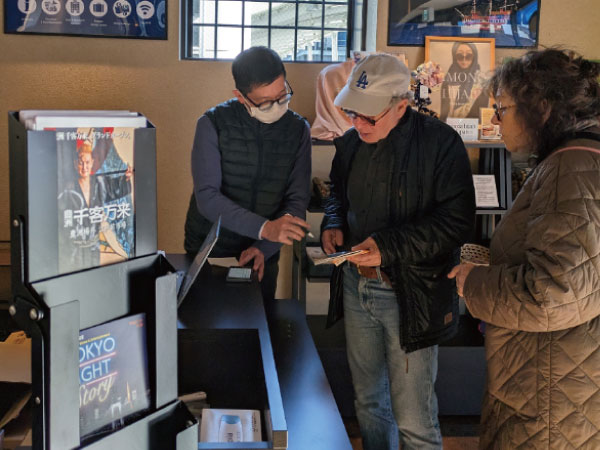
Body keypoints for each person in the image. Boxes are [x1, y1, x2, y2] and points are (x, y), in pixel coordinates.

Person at [321, 53, 476, 450]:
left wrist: (388, 246)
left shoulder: (440, 144)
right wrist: (333, 222)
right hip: (359, 286)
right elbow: (337, 191)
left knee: (414, 419)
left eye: (369, 116)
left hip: (412, 292)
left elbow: (456, 223)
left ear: (401, 105)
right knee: (369, 403)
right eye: (353, 112)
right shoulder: (352, 142)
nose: (358, 124)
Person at [448, 49, 600, 449]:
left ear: (542, 109)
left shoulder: (568, 168)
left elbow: (553, 294)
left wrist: (474, 281)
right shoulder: (578, 162)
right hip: (562, 380)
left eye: (501, 109)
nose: (495, 121)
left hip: (548, 392)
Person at [184, 46, 311, 301]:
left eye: (282, 95)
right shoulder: (212, 124)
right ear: (241, 96)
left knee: (259, 329)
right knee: (206, 329)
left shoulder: (298, 130)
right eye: (265, 103)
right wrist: (265, 228)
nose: (276, 107)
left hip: (263, 255)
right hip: (210, 251)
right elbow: (207, 197)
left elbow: (296, 200)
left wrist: (264, 246)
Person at [58, 139, 133, 273]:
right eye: (81, 162)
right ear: (76, 164)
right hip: (73, 246)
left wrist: (125, 178)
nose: (84, 166)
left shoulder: (99, 183)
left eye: (87, 162)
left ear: (92, 163)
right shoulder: (68, 188)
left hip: (93, 246)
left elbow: (114, 189)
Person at [440, 42, 489, 121]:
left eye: (469, 56)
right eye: (459, 56)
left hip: (471, 129)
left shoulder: (481, 82)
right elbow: (444, 113)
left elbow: (480, 115)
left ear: (474, 56)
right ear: (454, 57)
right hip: (449, 128)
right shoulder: (447, 80)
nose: (464, 60)